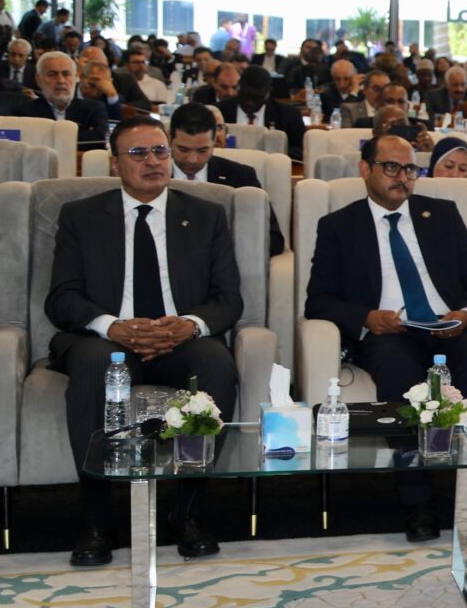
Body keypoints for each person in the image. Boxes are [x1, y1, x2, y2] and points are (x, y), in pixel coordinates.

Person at [49, 116, 243, 566]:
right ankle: (97, 521)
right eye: (138, 153)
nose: (153, 161)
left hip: (180, 340)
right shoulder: (80, 216)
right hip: (108, 339)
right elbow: (61, 298)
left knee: (215, 364)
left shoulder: (207, 215)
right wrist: (112, 326)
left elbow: (228, 298)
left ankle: (187, 512)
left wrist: (189, 324)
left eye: (160, 151)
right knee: (95, 366)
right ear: (115, 163)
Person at [303, 133, 467, 541]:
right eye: (392, 168)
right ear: (366, 169)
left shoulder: (442, 214)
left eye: (410, 169)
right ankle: (418, 502)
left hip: (450, 326)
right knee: (396, 368)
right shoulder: (339, 226)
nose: (402, 177)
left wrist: (466, 314)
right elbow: (318, 300)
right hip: (390, 332)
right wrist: (367, 318)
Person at [166, 102, 285, 255]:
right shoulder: (153, 177)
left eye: (202, 150)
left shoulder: (241, 177)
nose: (192, 159)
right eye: (183, 150)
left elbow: (273, 239)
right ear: (169, 138)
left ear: (215, 141)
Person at [21, 51, 109, 149]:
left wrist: (46, 137)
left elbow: (99, 140)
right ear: (38, 80)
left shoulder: (94, 109)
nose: (61, 81)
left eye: (66, 74)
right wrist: (81, 135)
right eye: (52, 74)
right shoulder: (23, 111)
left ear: (75, 77)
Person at [218, 66, 306, 160]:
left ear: (268, 92)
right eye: (246, 95)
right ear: (238, 87)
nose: (250, 102)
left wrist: (273, 152)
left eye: (257, 97)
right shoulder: (220, 111)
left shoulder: (288, 115)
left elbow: (302, 151)